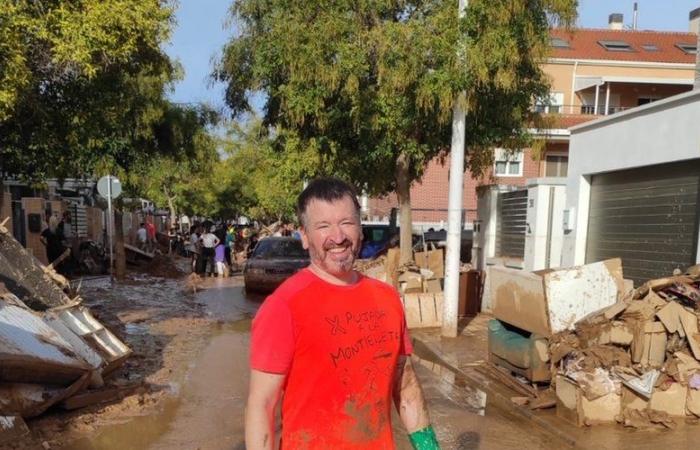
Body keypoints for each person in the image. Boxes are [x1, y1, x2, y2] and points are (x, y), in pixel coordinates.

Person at [246, 178, 439, 450]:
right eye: (323, 226)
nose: (337, 237)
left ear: (360, 229)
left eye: (346, 223)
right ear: (304, 235)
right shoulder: (283, 306)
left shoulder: (387, 299)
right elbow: (262, 405)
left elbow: (405, 387)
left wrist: (429, 447)